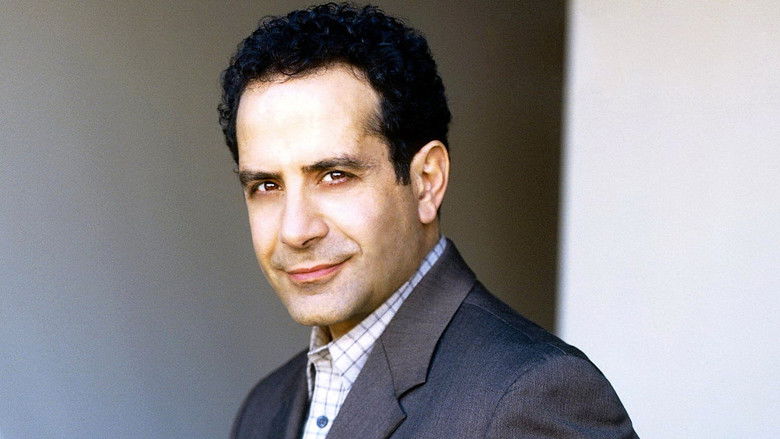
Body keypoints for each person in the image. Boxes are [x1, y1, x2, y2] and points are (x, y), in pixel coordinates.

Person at [218, 3, 637, 438]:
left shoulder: (532, 395)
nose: (295, 230)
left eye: (335, 176)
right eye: (266, 185)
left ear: (426, 182)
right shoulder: (264, 409)